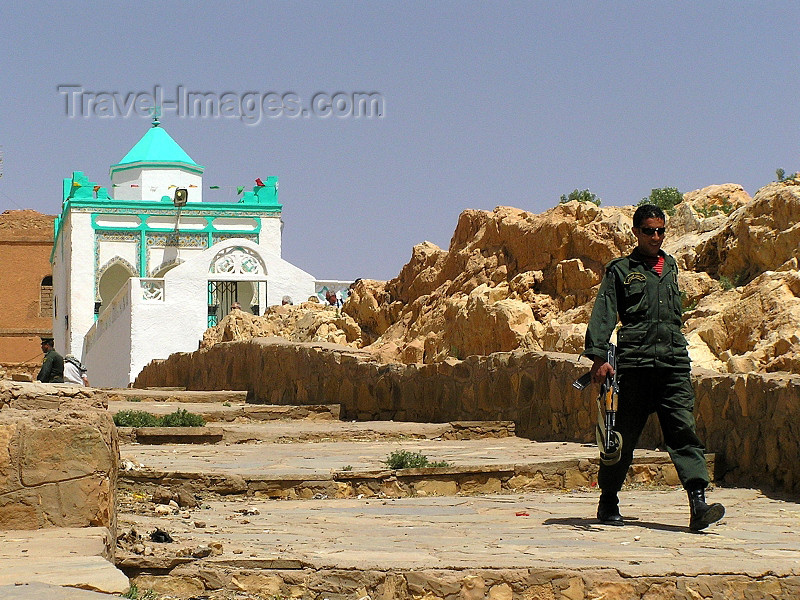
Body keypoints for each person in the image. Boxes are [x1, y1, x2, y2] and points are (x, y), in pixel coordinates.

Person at [583, 204, 725, 531]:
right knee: (623, 437)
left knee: (683, 431)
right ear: (636, 232)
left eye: (661, 230)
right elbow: (604, 313)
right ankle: (608, 500)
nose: (656, 236)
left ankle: (698, 503)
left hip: (673, 365)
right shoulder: (621, 269)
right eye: (649, 230)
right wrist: (599, 358)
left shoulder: (671, 266)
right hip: (635, 367)